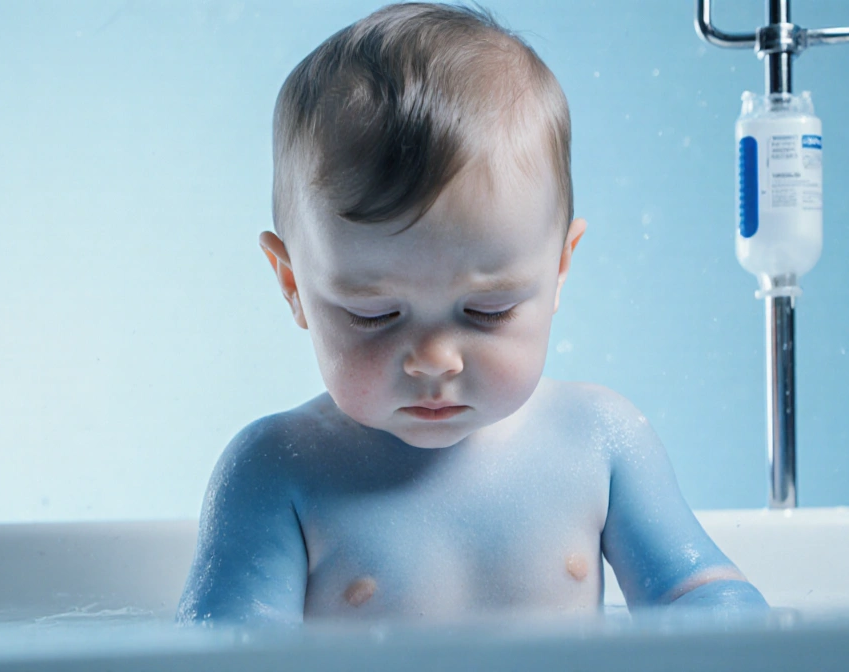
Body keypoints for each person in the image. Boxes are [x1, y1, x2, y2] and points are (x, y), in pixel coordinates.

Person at [177, 2, 766, 625]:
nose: (435, 360)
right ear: (293, 284)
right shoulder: (278, 470)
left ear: (559, 269)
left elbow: (705, 595)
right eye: (374, 314)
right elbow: (221, 650)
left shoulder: (598, 443)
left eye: (488, 310)